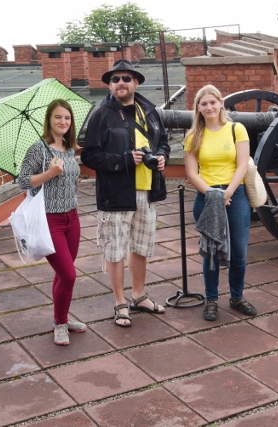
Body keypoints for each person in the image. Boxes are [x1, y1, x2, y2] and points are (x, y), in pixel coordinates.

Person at [81, 59, 170, 327]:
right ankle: (120, 303)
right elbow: (89, 155)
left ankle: (139, 295)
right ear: (110, 85)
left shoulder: (150, 111)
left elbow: (163, 142)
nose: (121, 83)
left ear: (136, 82)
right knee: (115, 250)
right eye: (115, 79)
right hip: (116, 193)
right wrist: (124, 160)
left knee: (141, 247)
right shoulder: (101, 114)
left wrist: (162, 157)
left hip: (147, 190)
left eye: (126, 78)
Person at [184, 84, 257, 321]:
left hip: (235, 195)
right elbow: (191, 173)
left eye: (212, 102)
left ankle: (236, 297)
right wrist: (212, 194)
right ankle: (212, 299)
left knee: (239, 251)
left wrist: (227, 193)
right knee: (211, 252)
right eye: (204, 104)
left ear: (221, 104)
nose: (209, 107)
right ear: (198, 107)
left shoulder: (237, 129)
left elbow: (242, 165)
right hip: (207, 197)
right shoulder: (193, 136)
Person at [19, 99, 86, 345]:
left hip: (72, 218)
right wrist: (49, 174)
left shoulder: (69, 149)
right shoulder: (38, 149)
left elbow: (71, 179)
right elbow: (22, 181)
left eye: (67, 118)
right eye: (58, 117)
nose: (63, 122)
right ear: (49, 119)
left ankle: (62, 318)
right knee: (68, 275)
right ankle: (59, 323)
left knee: (63, 273)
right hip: (50, 221)